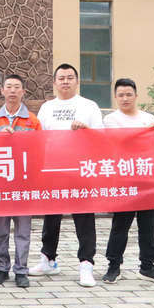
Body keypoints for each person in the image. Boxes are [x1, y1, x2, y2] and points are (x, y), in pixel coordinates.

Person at [29, 63, 103, 287]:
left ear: (77, 81)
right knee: (51, 217)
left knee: (84, 218)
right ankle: (48, 259)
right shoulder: (47, 107)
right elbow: (38, 138)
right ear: (54, 82)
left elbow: (101, 137)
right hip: (53, 169)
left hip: (81, 170)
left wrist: (86, 130)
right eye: (61, 78)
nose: (65, 81)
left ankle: (86, 264)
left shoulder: (89, 106)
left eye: (70, 77)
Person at [101, 78, 154, 285]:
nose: (125, 98)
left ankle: (148, 266)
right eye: (121, 95)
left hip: (148, 178)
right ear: (115, 97)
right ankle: (114, 266)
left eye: (128, 94)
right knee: (120, 224)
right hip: (124, 180)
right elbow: (117, 144)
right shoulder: (111, 120)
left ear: (136, 96)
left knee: (149, 225)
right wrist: (145, 132)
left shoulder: (148, 119)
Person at [0, 74, 42, 289]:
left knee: (23, 230)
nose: (12, 91)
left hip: (23, 183)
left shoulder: (33, 121)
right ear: (2, 90)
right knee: (1, 230)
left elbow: (39, 151)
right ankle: (1, 267)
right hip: (0, 183)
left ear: (23, 92)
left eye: (16, 87)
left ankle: (21, 270)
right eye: (8, 86)